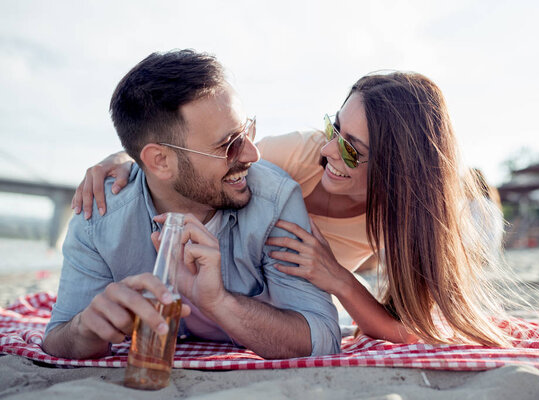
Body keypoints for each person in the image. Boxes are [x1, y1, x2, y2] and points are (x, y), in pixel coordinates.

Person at [74, 71, 518, 347]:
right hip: (224, 293)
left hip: (284, 312)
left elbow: (407, 328)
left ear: (399, 171)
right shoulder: (298, 155)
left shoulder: (410, 219)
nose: (329, 150)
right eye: (335, 128)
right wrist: (122, 160)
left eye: (352, 150)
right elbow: (203, 162)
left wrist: (339, 278)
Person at [42, 50, 341, 361]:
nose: (252, 154)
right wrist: (84, 330)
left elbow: (323, 337)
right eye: (228, 145)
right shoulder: (98, 214)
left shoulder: (274, 199)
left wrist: (219, 302)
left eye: (247, 131)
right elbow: (58, 338)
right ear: (160, 161)